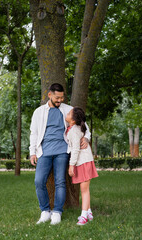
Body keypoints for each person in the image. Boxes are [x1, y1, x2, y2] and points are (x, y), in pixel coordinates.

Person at [29, 83, 91, 225]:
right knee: (39, 181)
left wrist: (86, 138)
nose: (60, 100)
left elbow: (85, 126)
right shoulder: (38, 112)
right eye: (57, 98)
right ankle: (45, 211)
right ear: (49, 95)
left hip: (62, 151)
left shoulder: (68, 110)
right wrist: (32, 152)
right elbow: (34, 133)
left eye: (62, 97)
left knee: (60, 182)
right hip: (43, 151)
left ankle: (57, 212)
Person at [65, 107, 98, 226]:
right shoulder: (76, 128)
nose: (67, 113)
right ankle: (88, 212)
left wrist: (71, 165)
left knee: (84, 191)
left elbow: (75, 149)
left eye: (69, 113)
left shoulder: (74, 130)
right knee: (85, 189)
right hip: (84, 161)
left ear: (73, 120)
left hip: (83, 161)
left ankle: (83, 216)